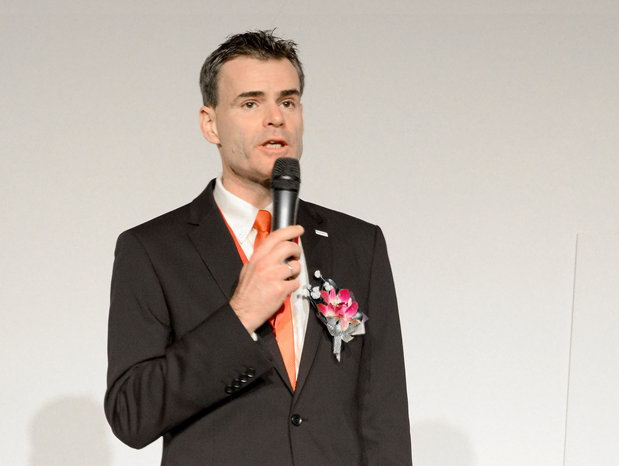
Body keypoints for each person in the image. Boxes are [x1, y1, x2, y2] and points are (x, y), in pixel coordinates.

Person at [104, 30, 411, 465]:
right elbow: (131, 415)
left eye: (288, 102)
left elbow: (384, 415)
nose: (275, 119)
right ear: (210, 123)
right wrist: (240, 315)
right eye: (250, 103)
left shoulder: (359, 244)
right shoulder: (152, 250)